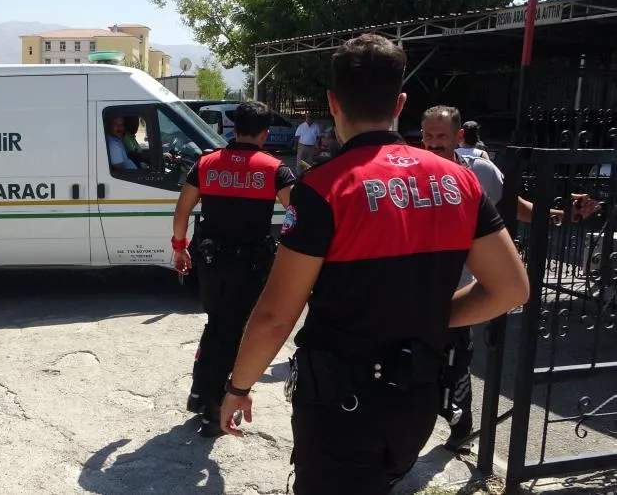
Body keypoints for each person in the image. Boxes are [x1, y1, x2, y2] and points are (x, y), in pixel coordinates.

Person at [217, 33, 530, 494]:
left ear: (332, 102)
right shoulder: (460, 182)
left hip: (340, 406)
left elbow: (275, 315)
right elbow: (511, 289)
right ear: (400, 103)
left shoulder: (324, 188)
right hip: (416, 399)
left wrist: (238, 387)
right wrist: (429, 316)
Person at [420, 105, 601, 453]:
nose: (433, 143)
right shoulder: (409, 172)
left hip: (459, 292)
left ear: (459, 136)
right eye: (428, 136)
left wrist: (564, 215)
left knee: (457, 366)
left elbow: (516, 208)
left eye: (441, 136)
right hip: (414, 290)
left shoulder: (481, 172)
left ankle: (460, 429)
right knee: (414, 365)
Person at [171, 100, 296, 438]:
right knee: (235, 332)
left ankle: (200, 394)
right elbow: (299, 214)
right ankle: (215, 411)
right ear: (265, 133)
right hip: (249, 266)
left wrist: (180, 248)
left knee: (216, 324)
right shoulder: (274, 169)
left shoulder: (206, 164)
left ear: (233, 129)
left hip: (210, 263)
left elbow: (182, 210)